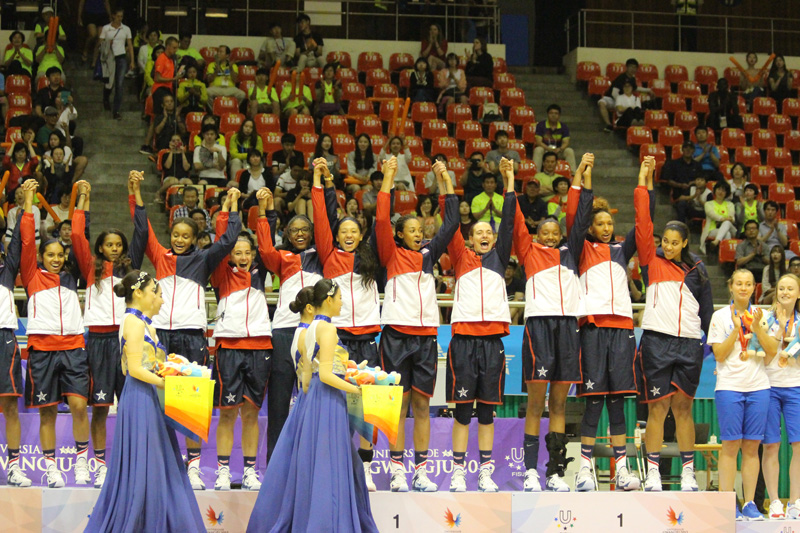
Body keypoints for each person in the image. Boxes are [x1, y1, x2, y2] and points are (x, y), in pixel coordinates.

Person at [128, 170, 242, 491]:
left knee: (191, 403)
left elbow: (229, 240)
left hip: (192, 336)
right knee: (158, 402)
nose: (179, 240)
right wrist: (135, 192)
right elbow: (141, 228)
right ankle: (161, 463)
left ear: (194, 239)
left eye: (185, 236)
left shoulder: (204, 260)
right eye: (175, 234)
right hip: (161, 335)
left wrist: (231, 208)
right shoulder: (160, 256)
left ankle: (193, 466)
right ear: (171, 234)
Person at [246, 279, 378, 533]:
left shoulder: (307, 329)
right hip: (328, 400)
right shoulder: (328, 330)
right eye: (339, 298)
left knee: (313, 466)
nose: (342, 303)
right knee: (329, 468)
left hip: (312, 399)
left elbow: (307, 378)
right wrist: (358, 389)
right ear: (328, 300)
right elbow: (327, 376)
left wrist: (347, 375)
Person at [83, 270, 205, 532]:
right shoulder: (134, 322)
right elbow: (135, 369)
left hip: (149, 396)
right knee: (145, 463)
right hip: (140, 397)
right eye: (156, 293)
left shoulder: (143, 322)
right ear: (138, 293)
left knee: (157, 461)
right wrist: (172, 382)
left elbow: (147, 365)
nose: (161, 300)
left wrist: (174, 367)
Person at [376, 158, 458, 492]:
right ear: (399, 234)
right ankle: (397, 469)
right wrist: (388, 178)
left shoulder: (428, 254)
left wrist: (444, 180)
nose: (419, 235)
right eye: (412, 230)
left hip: (425, 336)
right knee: (399, 405)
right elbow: (381, 219)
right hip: (395, 334)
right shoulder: (390, 254)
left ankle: (420, 470)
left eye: (421, 232)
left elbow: (451, 223)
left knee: (423, 405)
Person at [513, 155, 594, 492]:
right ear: (536, 234)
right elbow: (513, 222)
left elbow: (581, 217)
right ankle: (530, 471)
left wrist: (579, 179)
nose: (549, 237)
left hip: (566, 330)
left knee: (560, 404)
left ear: (560, 235)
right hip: (538, 329)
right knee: (536, 404)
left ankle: (555, 471)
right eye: (543, 232)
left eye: (554, 232)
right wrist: (509, 186)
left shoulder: (570, 252)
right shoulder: (528, 252)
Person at [634, 156, 714, 492]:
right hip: (656, 342)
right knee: (657, 408)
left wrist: (704, 344)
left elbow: (707, 314)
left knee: (683, 409)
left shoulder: (698, 272)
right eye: (663, 240)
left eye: (673, 242)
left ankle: (687, 473)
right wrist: (644, 177)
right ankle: (652, 471)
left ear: (684, 243)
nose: (666, 245)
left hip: (688, 345)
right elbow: (643, 220)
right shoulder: (651, 261)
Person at [569, 154, 649, 492]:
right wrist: (585, 179)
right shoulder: (581, 249)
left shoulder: (620, 251)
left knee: (617, 402)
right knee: (594, 400)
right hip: (592, 330)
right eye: (599, 224)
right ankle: (585, 469)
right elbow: (577, 215)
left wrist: (644, 180)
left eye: (609, 224)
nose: (606, 228)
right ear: (590, 228)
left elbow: (644, 225)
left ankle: (622, 468)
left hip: (622, 331)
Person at [444, 158, 516, 492]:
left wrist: (509, 180)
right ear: (470, 239)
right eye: (478, 233)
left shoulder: (500, 258)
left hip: (492, 344)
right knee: (461, 412)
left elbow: (511, 223)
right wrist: (447, 183)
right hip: (463, 342)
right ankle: (458, 472)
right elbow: (450, 224)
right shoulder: (461, 257)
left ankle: (485, 472)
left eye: (489, 232)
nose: (484, 236)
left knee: (486, 414)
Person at [311, 159, 384, 490]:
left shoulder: (371, 257)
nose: (349, 236)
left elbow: (382, 220)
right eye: (344, 232)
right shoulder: (329, 255)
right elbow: (323, 217)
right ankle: (336, 466)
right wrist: (322, 182)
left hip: (368, 337)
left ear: (361, 234)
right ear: (337, 236)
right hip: (338, 342)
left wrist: (388, 182)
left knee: (368, 407)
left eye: (354, 231)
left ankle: (366, 467)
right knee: (337, 406)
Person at [257, 184, 338, 461]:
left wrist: (320, 184)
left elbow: (326, 223)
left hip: (315, 331)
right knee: (279, 399)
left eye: (305, 229)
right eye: (294, 230)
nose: (300, 234)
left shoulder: (323, 256)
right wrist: (266, 211)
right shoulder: (282, 258)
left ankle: (313, 457)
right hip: (283, 331)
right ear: (287, 235)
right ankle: (275, 461)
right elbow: (265, 248)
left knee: (314, 393)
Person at [19, 180, 90, 488]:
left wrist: (82, 201)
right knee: (47, 412)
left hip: (73, 346)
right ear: (42, 257)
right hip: (42, 349)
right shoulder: (32, 276)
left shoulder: (72, 277)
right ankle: (51, 469)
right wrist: (27, 204)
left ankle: (82, 463)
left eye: (60, 255)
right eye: (51, 255)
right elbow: (25, 242)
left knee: (78, 406)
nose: (57, 258)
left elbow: (78, 238)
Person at [71, 181, 134, 489]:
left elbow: (144, 236)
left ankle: (128, 462)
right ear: (99, 247)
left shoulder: (129, 272)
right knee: (99, 407)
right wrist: (84, 199)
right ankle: (97, 463)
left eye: (118, 244)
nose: (114, 248)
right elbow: (75, 235)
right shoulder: (90, 268)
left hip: (124, 343)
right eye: (109, 244)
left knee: (130, 405)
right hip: (96, 342)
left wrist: (134, 195)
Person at [209, 189, 269, 491]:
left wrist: (263, 209)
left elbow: (267, 242)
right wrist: (229, 210)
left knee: (251, 413)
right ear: (230, 255)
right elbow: (220, 242)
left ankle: (249, 471)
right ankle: (222, 470)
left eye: (247, 252)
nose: (243, 257)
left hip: (260, 347)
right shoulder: (221, 275)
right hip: (229, 347)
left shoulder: (261, 272)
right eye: (237, 252)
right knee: (227, 412)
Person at [708, 269, 774, 521]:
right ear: (731, 287)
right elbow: (719, 355)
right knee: (730, 446)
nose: (743, 288)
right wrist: (736, 331)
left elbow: (770, 353)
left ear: (754, 287)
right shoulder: (719, 316)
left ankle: (749, 503)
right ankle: (727, 502)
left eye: (748, 284)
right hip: (729, 387)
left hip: (759, 387)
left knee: (751, 448)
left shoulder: (763, 315)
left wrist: (757, 329)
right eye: (739, 283)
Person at [0, 198, 29, 487]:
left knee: (9, 408)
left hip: (3, 340)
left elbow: (18, 243)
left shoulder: (6, 274)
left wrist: (24, 208)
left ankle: (14, 466)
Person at [141, 36, 185, 156]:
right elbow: (157, 78)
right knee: (157, 118)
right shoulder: (162, 58)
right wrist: (173, 78)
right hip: (160, 90)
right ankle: (149, 144)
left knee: (163, 116)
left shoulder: (171, 59)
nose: (176, 50)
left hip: (167, 89)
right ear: (168, 46)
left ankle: (153, 145)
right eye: (174, 48)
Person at [96, 7, 134, 120]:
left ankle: (116, 110)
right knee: (110, 82)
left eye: (121, 16)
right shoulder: (106, 28)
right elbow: (100, 43)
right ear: (113, 16)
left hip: (121, 56)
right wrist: (107, 43)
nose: (119, 18)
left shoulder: (126, 29)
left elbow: (130, 45)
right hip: (109, 57)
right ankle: (106, 98)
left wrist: (132, 60)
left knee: (120, 84)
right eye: (118, 16)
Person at [598, 58, 641, 132]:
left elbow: (635, 88)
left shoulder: (632, 79)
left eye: (635, 67)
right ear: (626, 67)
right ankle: (609, 124)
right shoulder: (621, 78)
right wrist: (620, 102)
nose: (633, 69)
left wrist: (649, 90)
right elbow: (614, 93)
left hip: (624, 100)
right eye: (631, 67)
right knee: (601, 103)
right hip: (613, 99)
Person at [533, 104, 576, 174]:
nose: (553, 115)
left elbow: (566, 142)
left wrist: (560, 149)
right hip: (545, 150)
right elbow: (538, 142)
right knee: (538, 150)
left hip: (558, 151)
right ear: (548, 114)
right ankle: (535, 173)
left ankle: (572, 175)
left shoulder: (563, 127)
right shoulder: (541, 125)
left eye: (556, 113)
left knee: (569, 151)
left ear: (559, 116)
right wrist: (548, 149)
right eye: (551, 113)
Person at [699, 180, 736, 254]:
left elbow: (732, 218)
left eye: (723, 190)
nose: (720, 192)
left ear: (726, 193)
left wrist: (725, 220)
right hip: (712, 230)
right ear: (715, 190)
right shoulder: (708, 204)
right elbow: (711, 214)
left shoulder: (730, 204)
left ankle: (716, 242)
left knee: (727, 222)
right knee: (727, 234)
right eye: (719, 189)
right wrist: (723, 218)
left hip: (730, 228)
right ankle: (725, 255)